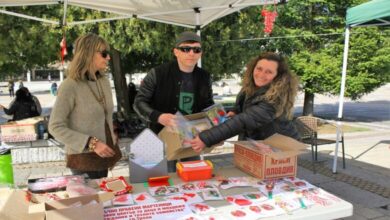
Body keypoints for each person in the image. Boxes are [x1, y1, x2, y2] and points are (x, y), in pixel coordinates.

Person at [134, 31, 214, 171]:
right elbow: (139, 103)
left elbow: (208, 105)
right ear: (176, 52)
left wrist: (220, 120)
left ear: (200, 53)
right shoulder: (157, 73)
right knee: (162, 181)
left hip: (191, 139)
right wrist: (159, 117)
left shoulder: (204, 77)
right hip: (161, 137)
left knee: (191, 179)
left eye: (196, 49)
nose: (191, 53)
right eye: (185, 49)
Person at [190, 52, 300, 153]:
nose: (261, 74)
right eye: (259, 68)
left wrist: (206, 138)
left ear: (278, 76)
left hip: (281, 149)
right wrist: (235, 112)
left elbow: (243, 121)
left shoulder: (275, 98)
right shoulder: (250, 88)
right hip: (258, 146)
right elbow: (243, 108)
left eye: (269, 72)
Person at [49, 33, 122, 179]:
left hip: (104, 156)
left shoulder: (103, 82)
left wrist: (112, 136)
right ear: (88, 54)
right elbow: (55, 126)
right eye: (104, 54)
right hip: (83, 160)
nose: (108, 58)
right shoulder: (70, 86)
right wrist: (91, 143)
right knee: (91, 201)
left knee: (104, 199)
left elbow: (102, 116)